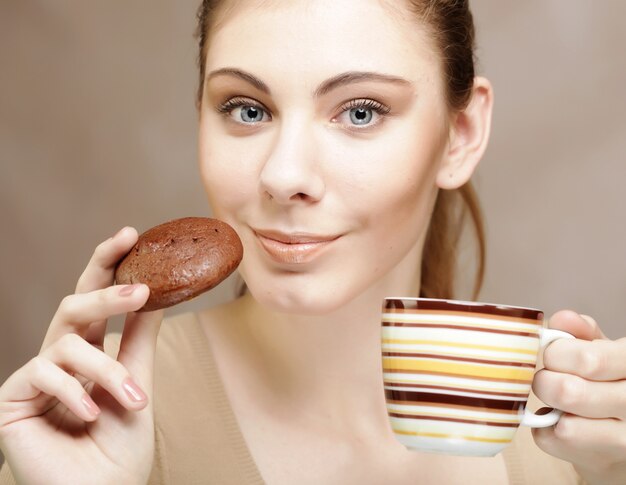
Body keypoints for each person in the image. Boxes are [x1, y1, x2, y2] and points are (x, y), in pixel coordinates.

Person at [0, 0, 624, 483]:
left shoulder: (572, 441)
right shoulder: (93, 414)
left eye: (361, 111)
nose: (284, 174)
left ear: (459, 135)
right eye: (247, 109)